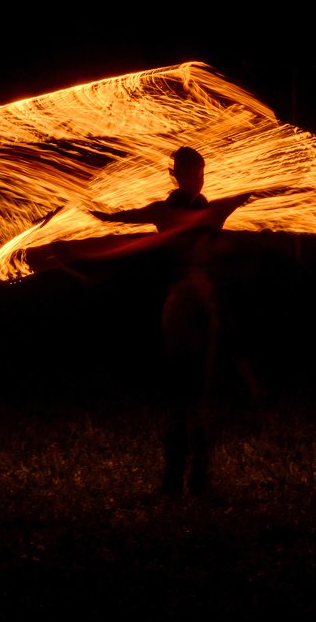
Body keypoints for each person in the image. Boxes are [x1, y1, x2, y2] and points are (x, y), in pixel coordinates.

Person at [90, 146, 256, 497]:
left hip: (197, 304)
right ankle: (181, 478)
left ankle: (192, 479)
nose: (198, 179)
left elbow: (251, 196)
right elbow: (118, 218)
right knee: (186, 391)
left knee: (195, 391)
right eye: (192, 173)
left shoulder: (203, 210)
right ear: (178, 175)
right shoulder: (179, 211)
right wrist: (86, 211)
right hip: (185, 304)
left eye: (200, 172)